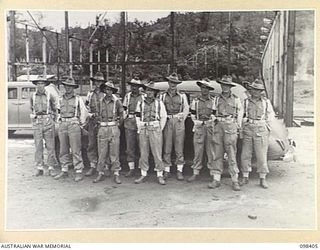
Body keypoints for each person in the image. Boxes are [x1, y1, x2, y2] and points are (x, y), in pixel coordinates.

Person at [240, 79, 275, 189]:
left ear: (261, 92)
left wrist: (267, 127)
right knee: (245, 154)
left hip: (261, 128)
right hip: (248, 128)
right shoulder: (245, 101)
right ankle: (245, 176)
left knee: (261, 155)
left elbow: (271, 116)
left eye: (258, 90)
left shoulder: (266, 102)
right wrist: (243, 126)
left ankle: (262, 178)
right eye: (254, 89)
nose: (255, 92)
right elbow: (241, 115)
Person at [210, 75, 243, 191]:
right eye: (223, 85)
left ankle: (235, 180)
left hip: (231, 126)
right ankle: (216, 179)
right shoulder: (216, 99)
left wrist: (237, 126)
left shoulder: (236, 99)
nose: (225, 87)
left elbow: (240, 114)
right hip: (219, 126)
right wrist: (215, 121)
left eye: (227, 85)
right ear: (221, 86)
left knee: (232, 153)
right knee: (217, 153)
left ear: (230, 87)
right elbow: (213, 113)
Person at [54, 77, 88, 182]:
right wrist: (59, 122)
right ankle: (64, 170)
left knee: (75, 149)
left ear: (73, 88)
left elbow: (84, 113)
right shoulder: (60, 99)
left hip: (74, 124)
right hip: (63, 124)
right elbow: (57, 112)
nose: (67, 88)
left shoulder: (78, 99)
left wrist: (80, 124)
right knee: (63, 149)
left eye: (70, 86)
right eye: (66, 86)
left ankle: (78, 171)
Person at [134, 81, 167, 185]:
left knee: (157, 153)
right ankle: (143, 173)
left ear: (155, 92)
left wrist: (159, 128)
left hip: (155, 128)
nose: (149, 93)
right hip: (144, 128)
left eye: (152, 91)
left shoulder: (159, 103)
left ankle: (160, 175)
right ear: (145, 91)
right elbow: (137, 116)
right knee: (143, 152)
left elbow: (163, 116)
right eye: (148, 90)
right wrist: (140, 127)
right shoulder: (140, 102)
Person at [93, 81, 124, 184]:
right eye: (106, 89)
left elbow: (121, 115)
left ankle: (116, 173)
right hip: (102, 127)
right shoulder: (100, 101)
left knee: (114, 152)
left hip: (113, 127)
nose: (108, 91)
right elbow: (97, 114)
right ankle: (100, 173)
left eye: (110, 89)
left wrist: (117, 125)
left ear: (113, 91)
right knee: (102, 152)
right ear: (104, 90)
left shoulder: (117, 101)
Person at [160, 73, 189, 181]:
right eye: (171, 82)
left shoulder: (182, 96)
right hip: (167, 120)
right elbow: (160, 109)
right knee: (167, 146)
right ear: (168, 83)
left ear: (177, 84)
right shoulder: (162, 96)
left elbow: (186, 109)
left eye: (175, 83)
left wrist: (181, 119)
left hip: (178, 121)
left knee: (179, 147)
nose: (173, 84)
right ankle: (166, 170)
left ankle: (179, 170)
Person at [187, 78, 216, 183]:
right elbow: (193, 114)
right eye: (203, 88)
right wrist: (197, 122)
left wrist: (210, 121)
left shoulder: (213, 101)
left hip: (210, 126)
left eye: (206, 88)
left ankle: (213, 172)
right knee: (198, 150)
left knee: (211, 150)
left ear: (209, 90)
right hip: (199, 126)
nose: (204, 90)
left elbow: (215, 114)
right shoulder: (196, 101)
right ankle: (196, 172)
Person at [30, 74, 59, 177]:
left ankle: (51, 167)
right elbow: (31, 108)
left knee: (50, 146)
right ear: (36, 85)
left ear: (45, 85)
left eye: (42, 83)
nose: (40, 85)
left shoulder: (49, 95)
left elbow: (55, 108)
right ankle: (39, 167)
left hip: (48, 121)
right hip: (37, 122)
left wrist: (54, 121)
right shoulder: (33, 96)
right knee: (38, 146)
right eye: (38, 83)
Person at [84, 72, 109, 177]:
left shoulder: (105, 94)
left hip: (103, 122)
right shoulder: (90, 94)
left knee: (104, 144)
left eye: (100, 81)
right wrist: (90, 114)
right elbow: (86, 107)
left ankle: (105, 166)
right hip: (92, 122)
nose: (98, 83)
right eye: (96, 81)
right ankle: (93, 165)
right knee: (91, 144)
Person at [122, 78, 145, 177]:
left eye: (136, 86)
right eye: (132, 86)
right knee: (130, 147)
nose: (134, 88)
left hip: (140, 122)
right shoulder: (127, 96)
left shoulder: (144, 97)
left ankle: (142, 168)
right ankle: (131, 168)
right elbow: (124, 110)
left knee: (142, 146)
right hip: (130, 122)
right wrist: (124, 120)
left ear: (140, 87)